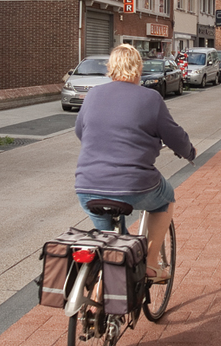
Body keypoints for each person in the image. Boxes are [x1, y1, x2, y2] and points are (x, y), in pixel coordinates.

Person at [75, 44, 196, 281]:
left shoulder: (93, 95)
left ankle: (100, 297)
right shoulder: (151, 98)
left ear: (110, 68)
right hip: (134, 186)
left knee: (110, 244)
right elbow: (173, 135)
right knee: (166, 198)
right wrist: (189, 152)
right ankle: (151, 264)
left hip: (87, 187)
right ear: (139, 68)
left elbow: (81, 132)